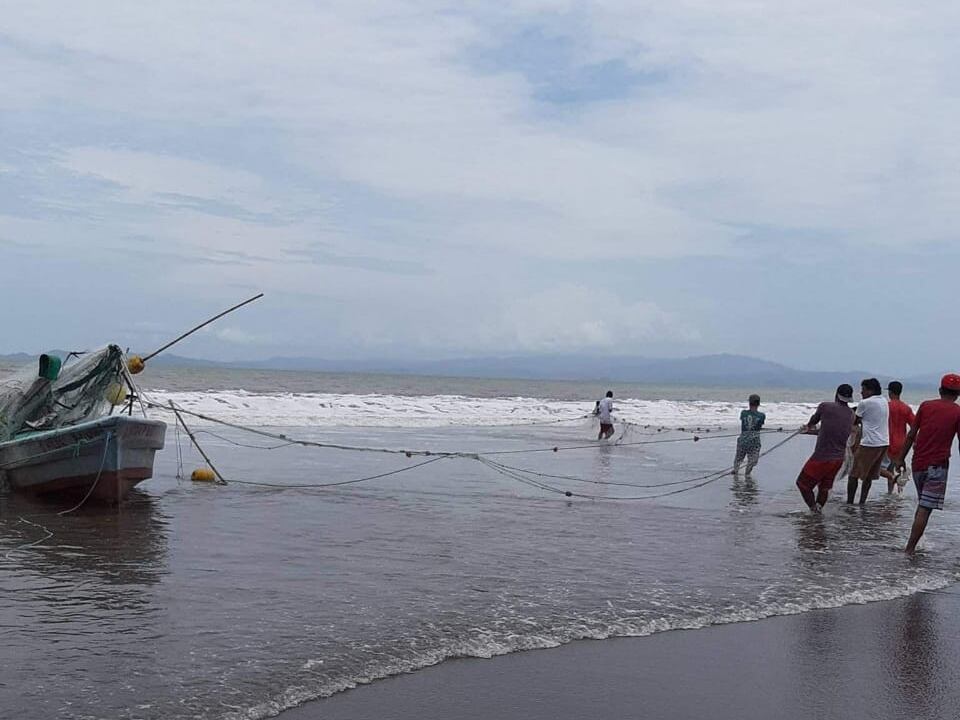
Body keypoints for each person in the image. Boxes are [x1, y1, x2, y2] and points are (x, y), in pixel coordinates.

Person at [895, 374, 960, 554]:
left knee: (923, 505)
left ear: (940, 390)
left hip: (918, 464)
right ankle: (910, 549)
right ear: (958, 394)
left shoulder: (925, 406)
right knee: (925, 508)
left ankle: (916, 543)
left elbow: (911, 434)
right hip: (938, 466)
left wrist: (900, 458)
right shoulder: (957, 412)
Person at [796, 384, 855, 512]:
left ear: (836, 395)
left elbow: (813, 421)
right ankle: (818, 510)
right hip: (838, 460)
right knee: (824, 487)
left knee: (802, 484)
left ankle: (814, 510)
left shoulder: (825, 406)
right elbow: (831, 429)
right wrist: (811, 431)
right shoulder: (851, 414)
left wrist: (807, 426)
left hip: (822, 458)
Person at [846, 378, 889, 505]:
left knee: (853, 474)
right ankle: (862, 502)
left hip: (869, 443)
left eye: (863, 389)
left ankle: (850, 503)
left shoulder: (865, 403)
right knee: (869, 476)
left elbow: (855, 421)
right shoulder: (884, 401)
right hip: (883, 442)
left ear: (870, 391)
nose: (861, 392)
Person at [880, 381, 915, 493]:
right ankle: (897, 494)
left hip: (887, 441)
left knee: (883, 469)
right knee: (898, 467)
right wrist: (915, 442)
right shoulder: (906, 408)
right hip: (902, 443)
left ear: (890, 392)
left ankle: (891, 491)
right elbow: (914, 426)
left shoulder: (886, 407)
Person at [733, 394, 765, 477]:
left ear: (749, 403)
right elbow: (759, 426)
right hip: (754, 440)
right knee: (752, 460)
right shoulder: (762, 415)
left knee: (739, 458)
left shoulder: (743, 413)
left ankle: (735, 471)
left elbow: (744, 422)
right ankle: (747, 474)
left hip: (743, 439)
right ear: (758, 404)